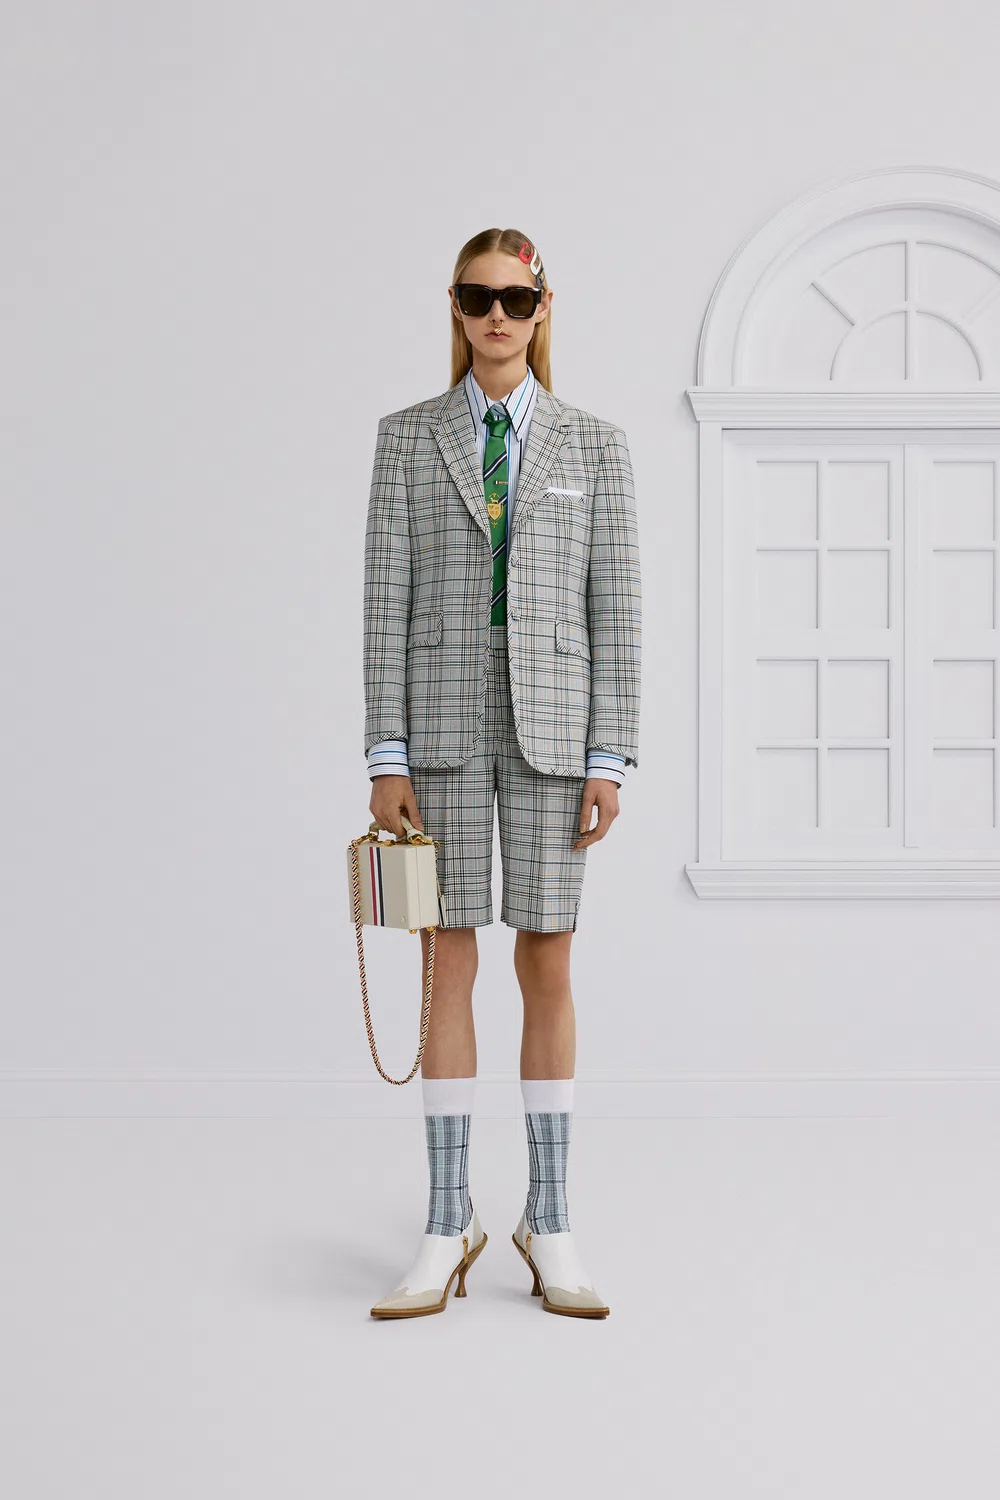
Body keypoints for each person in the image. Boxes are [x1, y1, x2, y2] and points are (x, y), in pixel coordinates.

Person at [363, 227, 641, 1319]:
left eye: (515, 301)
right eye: (478, 297)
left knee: (549, 957)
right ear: (454, 306)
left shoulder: (594, 446)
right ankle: (448, 1222)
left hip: (555, 731)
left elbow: (616, 609)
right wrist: (384, 752)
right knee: (444, 959)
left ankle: (550, 1219)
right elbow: (383, 601)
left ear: (542, 309)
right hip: (435, 729)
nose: (496, 316)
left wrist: (608, 754)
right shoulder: (405, 439)